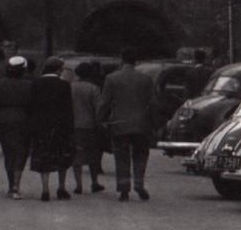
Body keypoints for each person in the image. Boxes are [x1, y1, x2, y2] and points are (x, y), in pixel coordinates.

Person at [98, 47, 157, 201]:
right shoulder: (146, 79)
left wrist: (101, 119)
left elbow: (104, 102)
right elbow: (153, 103)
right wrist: (154, 123)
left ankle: (124, 189)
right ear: (135, 61)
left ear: (121, 59)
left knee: (121, 156)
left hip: (119, 124)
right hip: (141, 124)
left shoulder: (111, 78)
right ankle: (139, 183)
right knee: (141, 154)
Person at [29, 58, 74, 201]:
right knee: (62, 156)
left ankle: (45, 189)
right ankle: (61, 187)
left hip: (41, 125)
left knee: (44, 155)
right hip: (60, 126)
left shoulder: (35, 84)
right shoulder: (65, 85)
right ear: (58, 69)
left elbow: (32, 106)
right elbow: (68, 109)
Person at [0, 54, 34, 199]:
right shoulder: (28, 84)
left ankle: (10, 185)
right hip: (23, 120)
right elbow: (32, 106)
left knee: (8, 153)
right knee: (21, 152)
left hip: (3, 121)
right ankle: (16, 185)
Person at [69, 61, 106, 194]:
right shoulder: (94, 88)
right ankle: (94, 182)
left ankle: (78, 185)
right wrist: (100, 124)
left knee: (76, 156)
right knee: (93, 155)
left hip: (74, 126)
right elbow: (99, 109)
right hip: (90, 126)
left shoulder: (70, 87)